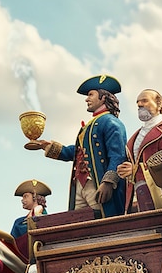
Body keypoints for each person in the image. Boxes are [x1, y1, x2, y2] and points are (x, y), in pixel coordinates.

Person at [31, 75, 127, 218]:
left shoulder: (110, 122)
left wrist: (108, 182)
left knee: (101, 220)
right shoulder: (90, 125)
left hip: (97, 182)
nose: (86, 99)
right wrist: (49, 147)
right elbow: (77, 152)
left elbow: (117, 156)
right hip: (80, 184)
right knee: (78, 221)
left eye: (91, 95)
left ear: (103, 97)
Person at [117, 88, 162, 212]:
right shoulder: (133, 138)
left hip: (160, 200)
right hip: (133, 199)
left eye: (144, 101)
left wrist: (136, 170)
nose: (139, 105)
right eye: (137, 102)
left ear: (159, 104)